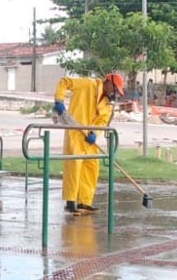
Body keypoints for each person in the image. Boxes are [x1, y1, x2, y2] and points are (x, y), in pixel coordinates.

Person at [53, 72, 125, 214]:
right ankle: (70, 202)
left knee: (91, 167)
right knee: (74, 166)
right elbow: (64, 82)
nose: (115, 93)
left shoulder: (107, 104)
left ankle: (84, 202)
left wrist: (95, 133)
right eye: (115, 89)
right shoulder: (88, 84)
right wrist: (59, 100)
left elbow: (102, 121)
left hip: (89, 137)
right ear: (109, 83)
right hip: (75, 132)